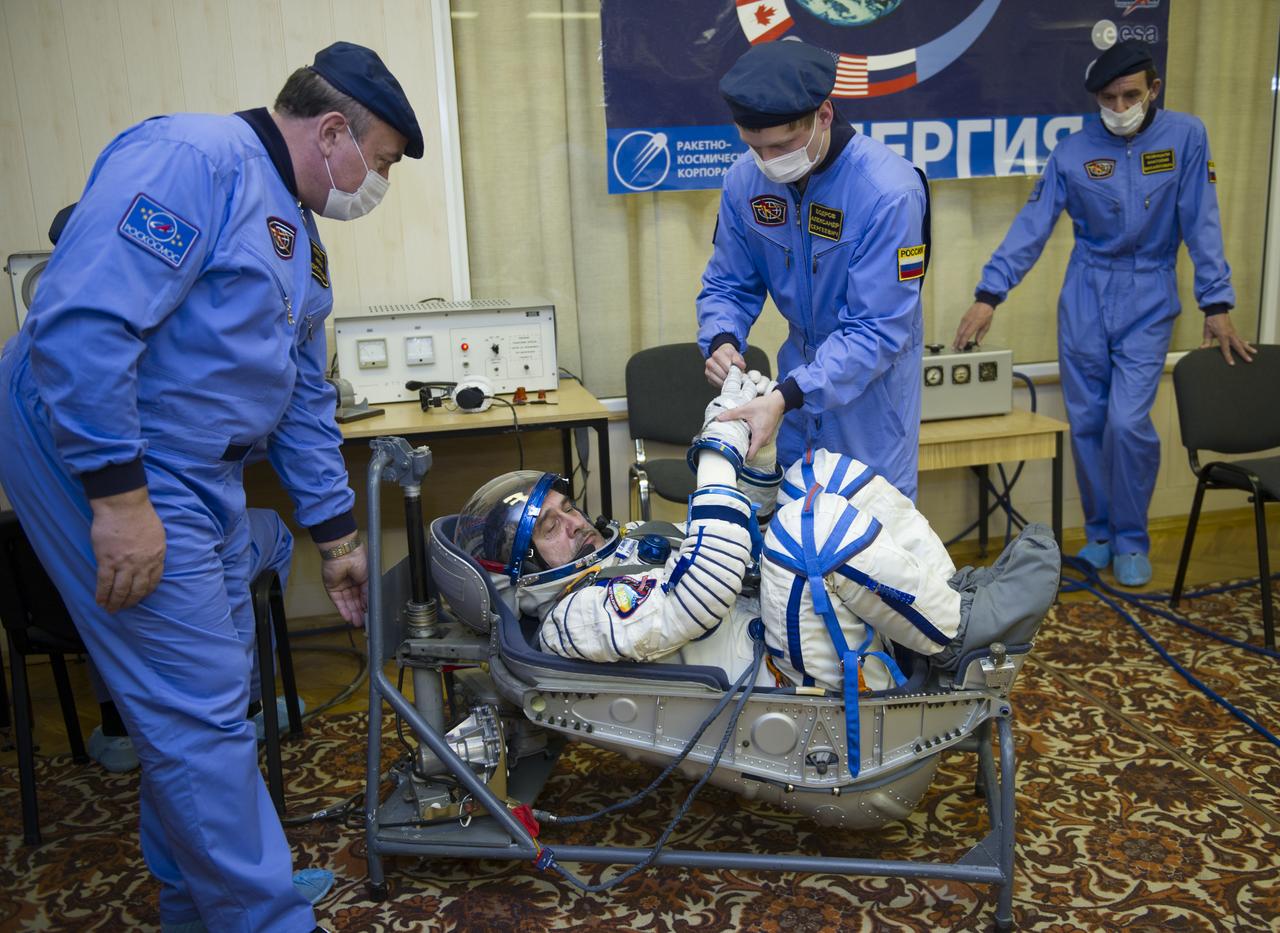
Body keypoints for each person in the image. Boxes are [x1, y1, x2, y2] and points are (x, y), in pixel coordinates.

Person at [0, 41, 423, 933]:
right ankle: (261, 916)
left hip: (197, 469)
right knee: (199, 710)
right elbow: (81, 324)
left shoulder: (300, 241)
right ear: (336, 131)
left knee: (210, 693)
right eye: (379, 162)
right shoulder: (193, 160)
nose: (375, 183)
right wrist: (117, 499)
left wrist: (339, 539)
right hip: (103, 444)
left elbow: (304, 396)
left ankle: (201, 901)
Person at [454, 368, 1060, 699]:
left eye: (568, 507)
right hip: (779, 679)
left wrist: (759, 462)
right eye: (551, 529)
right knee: (809, 538)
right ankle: (956, 637)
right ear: (525, 572)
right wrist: (718, 451)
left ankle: (952, 597)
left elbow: (743, 551)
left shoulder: (624, 548)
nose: (576, 522)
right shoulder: (574, 617)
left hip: (783, 634)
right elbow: (701, 592)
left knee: (821, 475)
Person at [951, 40, 1255, 587]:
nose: (1119, 107)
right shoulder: (1072, 152)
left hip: (1150, 291)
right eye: (1108, 98)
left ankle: (1133, 538)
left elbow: (1201, 220)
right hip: (1087, 292)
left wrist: (1217, 303)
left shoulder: (1186, 137)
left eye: (1130, 95)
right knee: (1088, 421)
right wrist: (988, 294)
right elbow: (1033, 226)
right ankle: (1100, 535)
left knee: (1128, 422)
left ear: (1153, 89)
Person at [697, 39, 929, 500]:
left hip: (870, 405)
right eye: (755, 146)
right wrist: (722, 338)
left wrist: (786, 395)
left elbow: (876, 331)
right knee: (791, 553)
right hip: (792, 404)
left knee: (869, 545)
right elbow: (728, 282)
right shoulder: (745, 181)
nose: (768, 162)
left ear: (824, 114)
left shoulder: (889, 193)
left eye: (783, 145)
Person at [85, 508, 302, 773]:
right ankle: (249, 705)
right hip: (175, 556)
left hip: (83, 561)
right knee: (268, 529)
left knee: (87, 558)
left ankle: (117, 727)